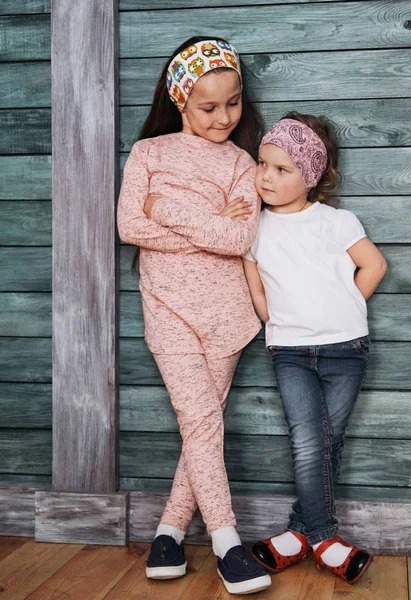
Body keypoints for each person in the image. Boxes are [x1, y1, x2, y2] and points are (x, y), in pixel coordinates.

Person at [117, 36, 271, 595]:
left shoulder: (241, 164)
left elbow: (240, 236)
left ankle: (169, 531)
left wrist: (170, 211)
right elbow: (130, 227)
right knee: (203, 422)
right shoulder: (150, 154)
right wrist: (208, 223)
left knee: (198, 427)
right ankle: (229, 542)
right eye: (209, 107)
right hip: (168, 311)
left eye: (233, 103)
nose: (224, 117)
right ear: (180, 100)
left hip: (228, 316)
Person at [243, 113, 388, 584]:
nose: (266, 175)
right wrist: (279, 321)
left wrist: (345, 307)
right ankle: (326, 540)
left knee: (327, 442)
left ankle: (298, 536)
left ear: (311, 176)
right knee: (309, 441)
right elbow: (258, 291)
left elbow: (374, 266)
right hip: (290, 352)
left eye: (281, 169)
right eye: (263, 164)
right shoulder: (254, 228)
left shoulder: (336, 221)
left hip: (346, 350)